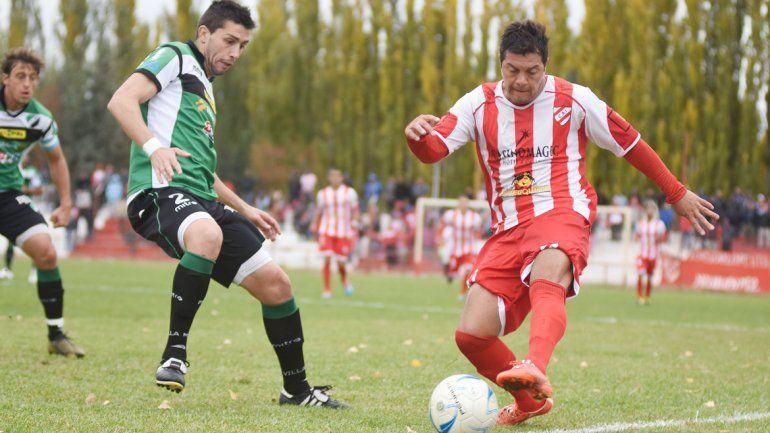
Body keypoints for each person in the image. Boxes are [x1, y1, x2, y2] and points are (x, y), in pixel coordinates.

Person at [404, 20, 717, 425]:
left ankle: (535, 364)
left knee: (549, 266)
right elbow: (433, 150)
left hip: (562, 213)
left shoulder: (574, 99)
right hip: (508, 229)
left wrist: (675, 192)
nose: (521, 81)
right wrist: (415, 136)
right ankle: (532, 401)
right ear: (501, 65)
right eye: (513, 70)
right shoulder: (477, 105)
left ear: (545, 67)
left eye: (532, 71)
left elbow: (630, 141)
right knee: (471, 335)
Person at [107, 0, 347, 408]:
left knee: (278, 286)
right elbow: (121, 101)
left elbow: (203, 171)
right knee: (206, 232)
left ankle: (297, 391)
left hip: (199, 199)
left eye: (243, 46)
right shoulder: (175, 57)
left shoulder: (205, 91)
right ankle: (174, 354)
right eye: (229, 41)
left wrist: (245, 208)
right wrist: (153, 148)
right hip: (157, 193)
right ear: (204, 34)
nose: (235, 53)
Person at [0, 47, 85, 357]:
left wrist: (65, 203)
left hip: (8, 195)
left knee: (46, 252)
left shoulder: (40, 118)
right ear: (4, 78)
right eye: (20, 76)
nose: (27, 84)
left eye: (33, 78)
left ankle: (56, 335)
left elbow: (56, 159)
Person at [311, 168, 359, 298]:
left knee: (340, 262)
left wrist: (355, 221)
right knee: (327, 258)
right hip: (327, 230)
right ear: (329, 178)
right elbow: (318, 211)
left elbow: (355, 210)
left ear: (342, 178)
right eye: (333, 176)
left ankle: (344, 281)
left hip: (343, 231)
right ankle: (327, 289)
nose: (335, 178)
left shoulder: (350, 193)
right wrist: (314, 224)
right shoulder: (322, 194)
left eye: (338, 176)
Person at [438, 195, 482, 300]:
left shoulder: (474, 217)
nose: (463, 205)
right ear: (458, 204)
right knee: (452, 272)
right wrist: (443, 238)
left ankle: (462, 293)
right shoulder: (451, 215)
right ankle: (449, 274)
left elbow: (478, 231)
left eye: (465, 202)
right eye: (461, 202)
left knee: (467, 269)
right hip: (454, 247)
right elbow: (443, 225)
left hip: (468, 247)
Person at [634, 200, 666, 305]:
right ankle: (639, 296)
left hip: (653, 255)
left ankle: (647, 296)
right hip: (642, 254)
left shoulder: (659, 224)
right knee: (640, 273)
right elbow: (636, 236)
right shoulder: (640, 224)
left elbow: (664, 237)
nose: (649, 211)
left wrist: (659, 240)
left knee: (649, 276)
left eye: (652, 209)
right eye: (648, 209)